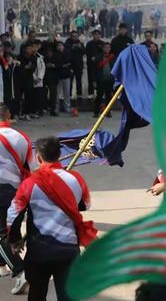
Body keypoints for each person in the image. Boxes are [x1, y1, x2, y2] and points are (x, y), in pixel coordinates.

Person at [7, 136, 97, 301]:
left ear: (38, 157)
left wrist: (14, 239)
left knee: (37, 294)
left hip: (39, 251)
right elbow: (85, 204)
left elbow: (14, 214)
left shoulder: (29, 183)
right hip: (68, 250)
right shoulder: (76, 179)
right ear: (59, 154)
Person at [0, 105, 31, 294]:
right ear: (9, 115)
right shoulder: (21, 138)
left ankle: (19, 271)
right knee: (10, 230)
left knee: (1, 234)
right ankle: (3, 265)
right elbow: (32, 169)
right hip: (16, 192)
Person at [16, 43, 36, 120]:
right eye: (28, 49)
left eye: (31, 49)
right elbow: (18, 68)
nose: (30, 50)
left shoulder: (33, 57)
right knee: (18, 97)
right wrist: (25, 68)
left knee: (29, 96)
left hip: (29, 78)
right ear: (25, 50)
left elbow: (33, 68)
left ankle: (26, 113)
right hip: (20, 79)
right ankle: (17, 113)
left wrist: (29, 67)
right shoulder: (20, 57)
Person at [94, 43, 115, 118]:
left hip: (109, 80)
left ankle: (108, 111)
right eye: (105, 47)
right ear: (103, 48)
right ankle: (96, 112)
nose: (107, 49)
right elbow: (95, 68)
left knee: (109, 96)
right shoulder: (99, 57)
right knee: (99, 96)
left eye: (108, 47)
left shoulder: (113, 57)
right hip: (100, 80)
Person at [66, 31, 85, 99]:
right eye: (73, 36)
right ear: (70, 36)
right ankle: (69, 95)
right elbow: (66, 52)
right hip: (70, 65)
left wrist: (80, 47)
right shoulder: (67, 43)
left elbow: (84, 52)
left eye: (76, 36)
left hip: (79, 65)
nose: (74, 37)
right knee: (70, 81)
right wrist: (72, 47)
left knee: (79, 80)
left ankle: (79, 94)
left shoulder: (80, 43)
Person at [86, 30, 105, 99]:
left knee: (100, 79)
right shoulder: (89, 43)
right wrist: (92, 58)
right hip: (91, 65)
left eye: (98, 34)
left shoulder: (103, 43)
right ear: (93, 35)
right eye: (95, 34)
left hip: (101, 65)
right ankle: (90, 93)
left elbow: (104, 53)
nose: (97, 35)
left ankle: (100, 93)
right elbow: (87, 53)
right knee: (91, 79)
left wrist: (98, 58)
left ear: (100, 35)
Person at [56, 42, 72, 114]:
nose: (60, 47)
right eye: (58, 46)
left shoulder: (67, 54)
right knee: (57, 94)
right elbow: (57, 64)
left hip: (66, 76)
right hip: (58, 76)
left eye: (61, 45)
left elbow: (69, 62)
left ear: (63, 46)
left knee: (67, 93)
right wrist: (62, 65)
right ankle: (56, 108)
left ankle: (67, 107)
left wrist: (61, 65)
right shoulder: (55, 54)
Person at [44, 46, 59, 117]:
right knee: (44, 94)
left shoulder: (56, 58)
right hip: (45, 79)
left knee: (53, 95)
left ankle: (53, 110)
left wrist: (53, 65)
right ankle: (45, 108)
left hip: (53, 79)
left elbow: (59, 66)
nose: (49, 54)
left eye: (50, 53)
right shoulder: (44, 59)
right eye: (48, 53)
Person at [32, 40, 46, 118]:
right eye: (33, 47)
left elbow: (43, 68)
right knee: (32, 96)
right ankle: (33, 111)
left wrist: (40, 77)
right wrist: (34, 78)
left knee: (39, 96)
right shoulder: (30, 57)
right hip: (32, 79)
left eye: (36, 47)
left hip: (39, 80)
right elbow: (31, 69)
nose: (35, 48)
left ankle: (39, 111)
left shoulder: (40, 57)